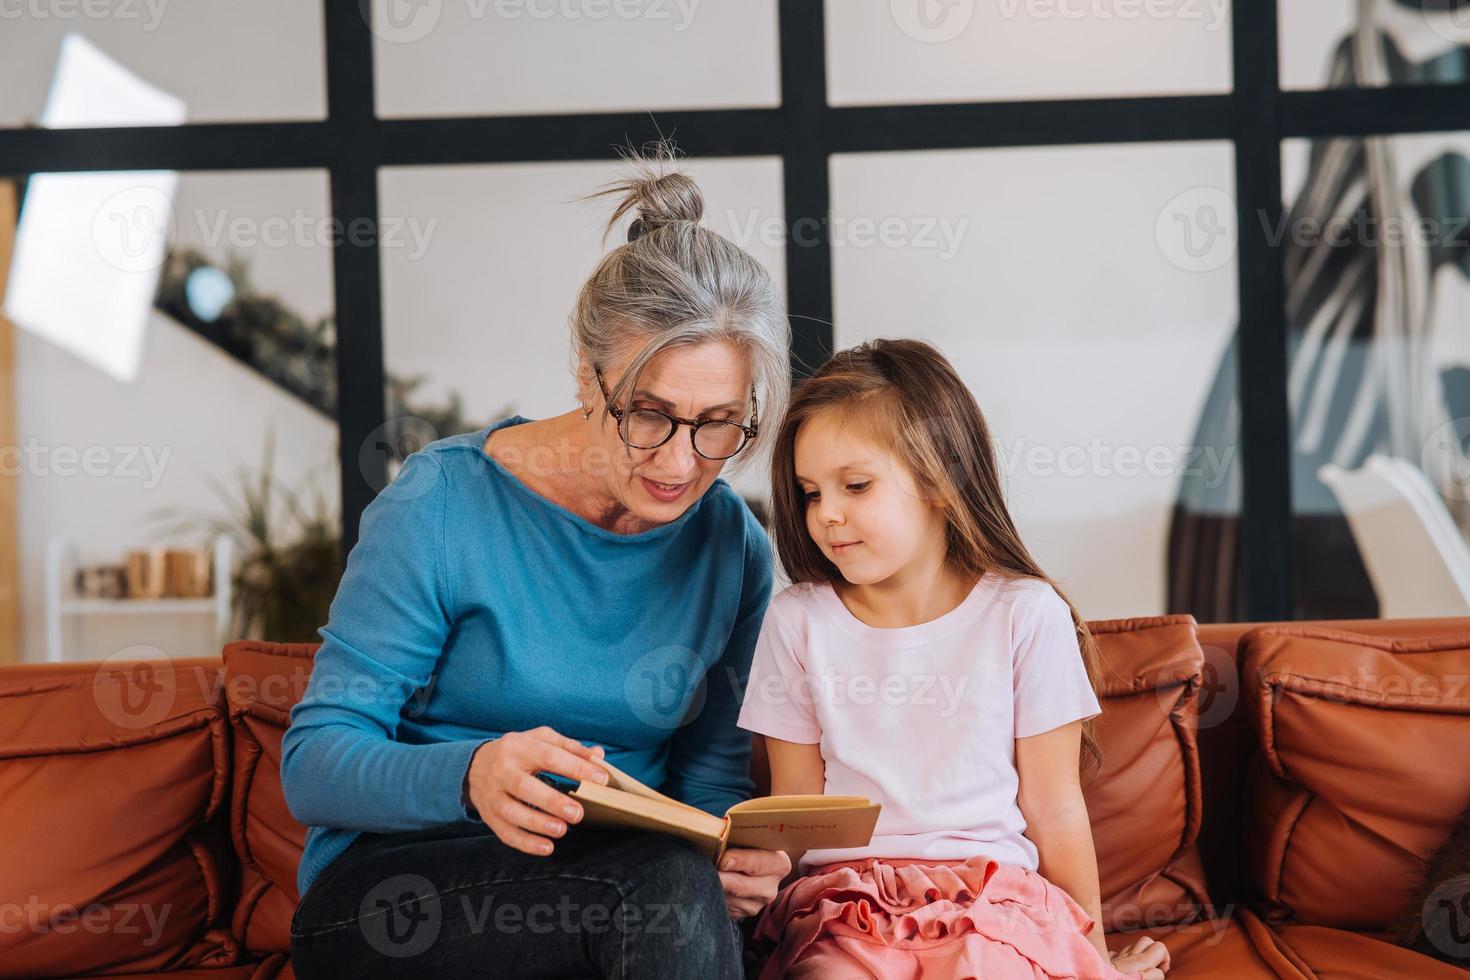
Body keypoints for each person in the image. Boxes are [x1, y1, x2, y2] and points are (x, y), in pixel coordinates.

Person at [283, 143, 792, 978]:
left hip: (635, 893)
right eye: (651, 414)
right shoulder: (442, 504)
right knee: (661, 892)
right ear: (586, 376)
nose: (678, 462)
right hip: (397, 894)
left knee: (675, 890)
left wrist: (733, 860)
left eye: (718, 425)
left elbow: (707, 782)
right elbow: (314, 762)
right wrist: (472, 773)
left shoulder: (730, 546)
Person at [736, 338, 1174, 979]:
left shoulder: (1026, 613)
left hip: (993, 899)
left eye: (855, 486)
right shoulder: (797, 620)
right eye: (809, 493)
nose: (826, 514)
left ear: (941, 480)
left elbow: (1055, 809)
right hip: (845, 902)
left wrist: (1094, 959)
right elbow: (796, 810)